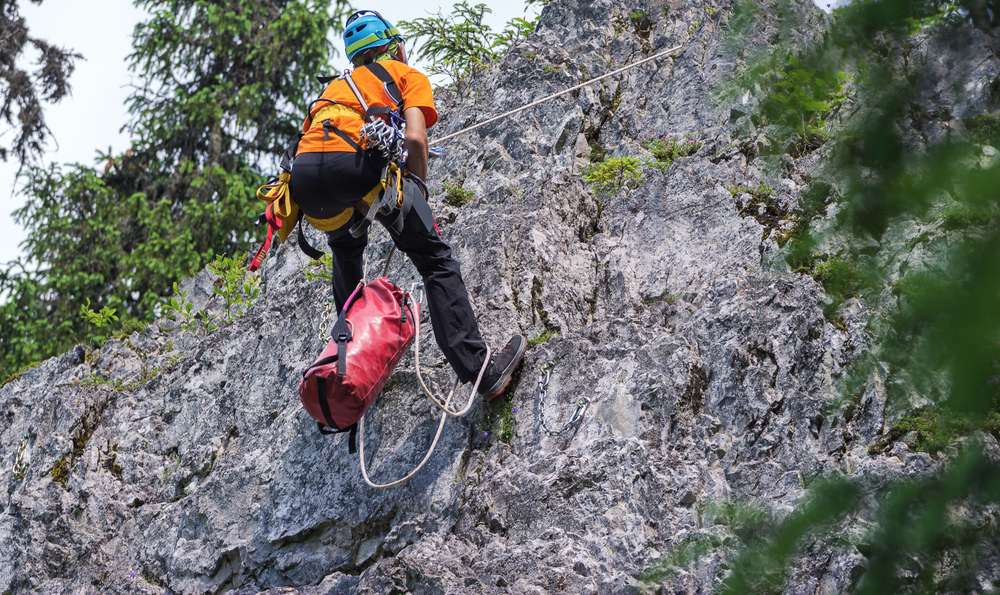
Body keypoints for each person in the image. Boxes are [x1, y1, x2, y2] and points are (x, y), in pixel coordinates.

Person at [289, 10, 525, 399]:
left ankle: (350, 374)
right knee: (434, 260)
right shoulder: (405, 75)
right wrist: (418, 187)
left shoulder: (332, 91)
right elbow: (415, 139)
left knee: (347, 255)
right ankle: (481, 370)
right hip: (354, 169)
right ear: (395, 47)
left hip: (307, 183)